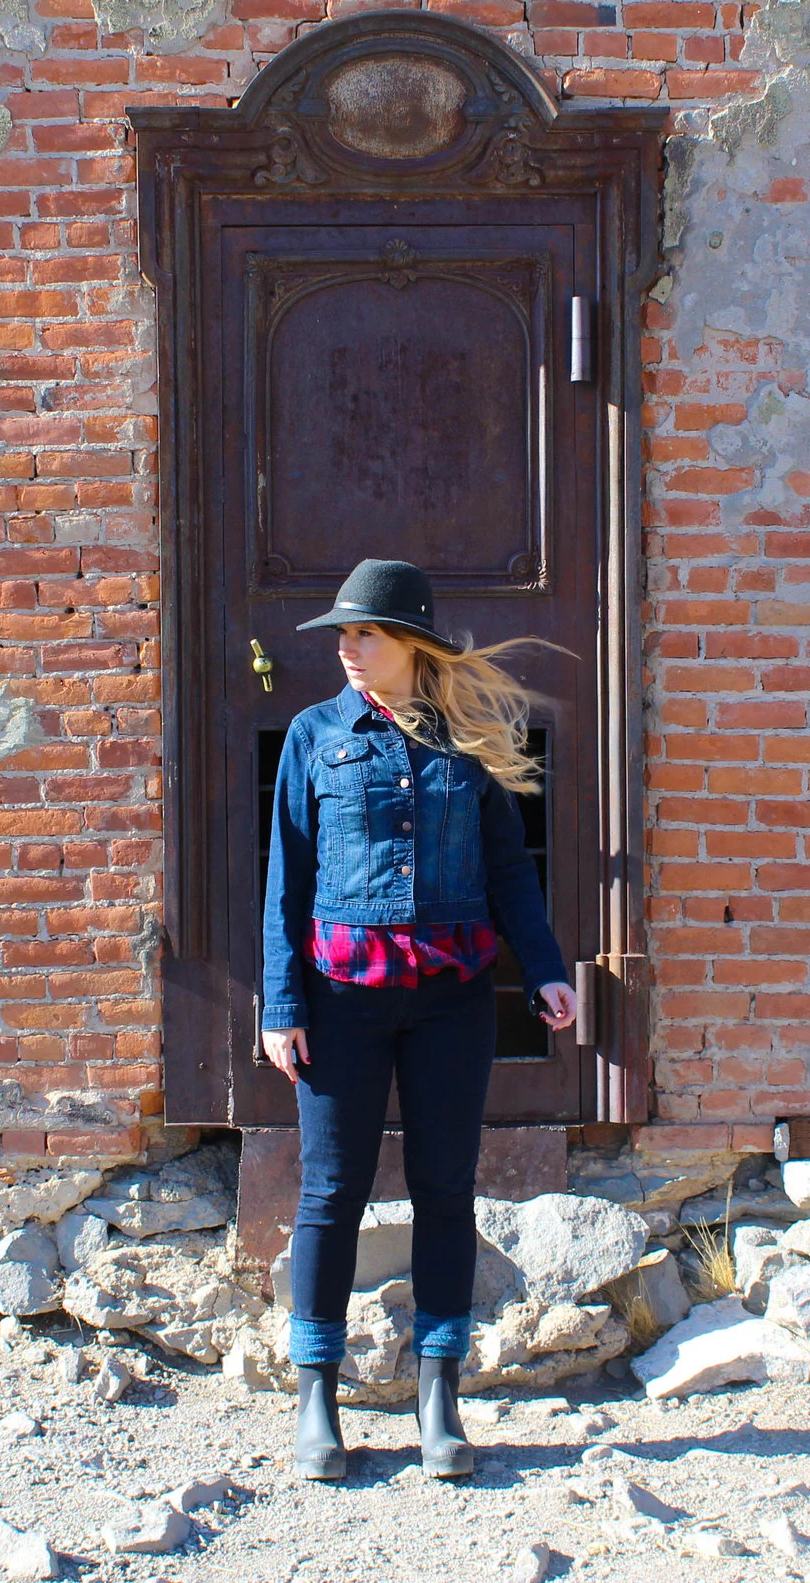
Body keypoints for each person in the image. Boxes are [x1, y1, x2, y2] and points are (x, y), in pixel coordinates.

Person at [261, 558, 578, 1482]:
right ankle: (316, 1395)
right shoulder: (314, 737)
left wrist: (546, 970)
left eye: (366, 634)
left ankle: (442, 1396)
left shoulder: (467, 740)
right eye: (344, 636)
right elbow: (286, 879)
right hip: (339, 1000)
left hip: (451, 999)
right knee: (332, 1191)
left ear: (413, 645)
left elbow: (509, 869)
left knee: (446, 1188)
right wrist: (281, 1004)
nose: (349, 650)